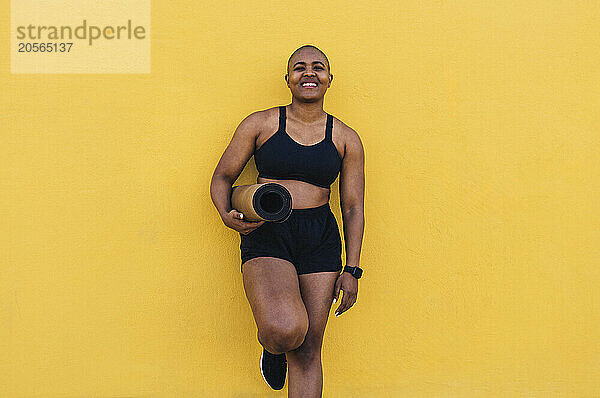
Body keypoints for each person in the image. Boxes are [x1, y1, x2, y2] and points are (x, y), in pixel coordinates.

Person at [210, 44, 365, 397]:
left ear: (329, 80)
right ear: (288, 80)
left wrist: (352, 269)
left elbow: (353, 206)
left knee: (309, 348)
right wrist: (226, 215)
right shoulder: (260, 123)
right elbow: (221, 178)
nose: (309, 72)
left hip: (320, 236)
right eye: (299, 67)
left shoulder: (346, 138)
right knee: (285, 329)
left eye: (318, 67)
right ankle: (273, 346)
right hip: (268, 231)